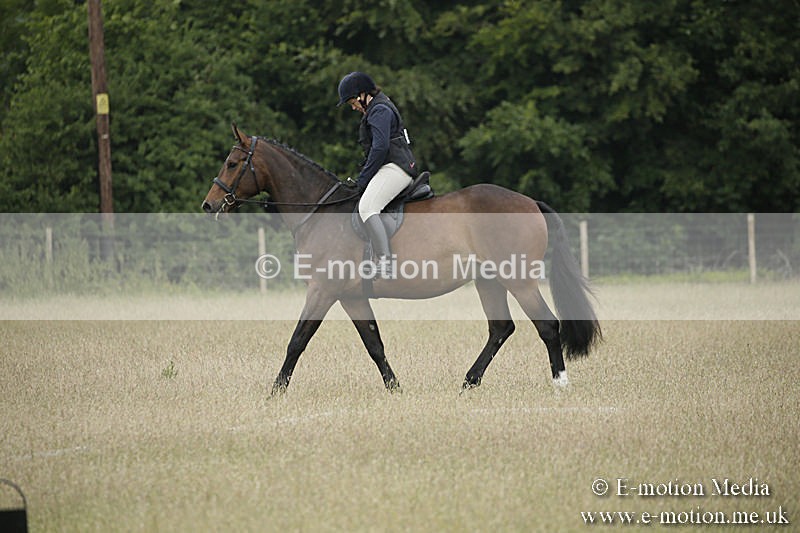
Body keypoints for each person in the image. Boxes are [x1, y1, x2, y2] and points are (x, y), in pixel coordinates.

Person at [337, 71, 419, 279]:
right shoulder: (377, 108)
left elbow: (380, 148)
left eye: (353, 102)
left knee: (367, 207)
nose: (354, 107)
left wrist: (363, 178)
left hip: (397, 168)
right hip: (392, 165)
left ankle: (385, 262)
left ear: (363, 95)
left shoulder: (379, 110)